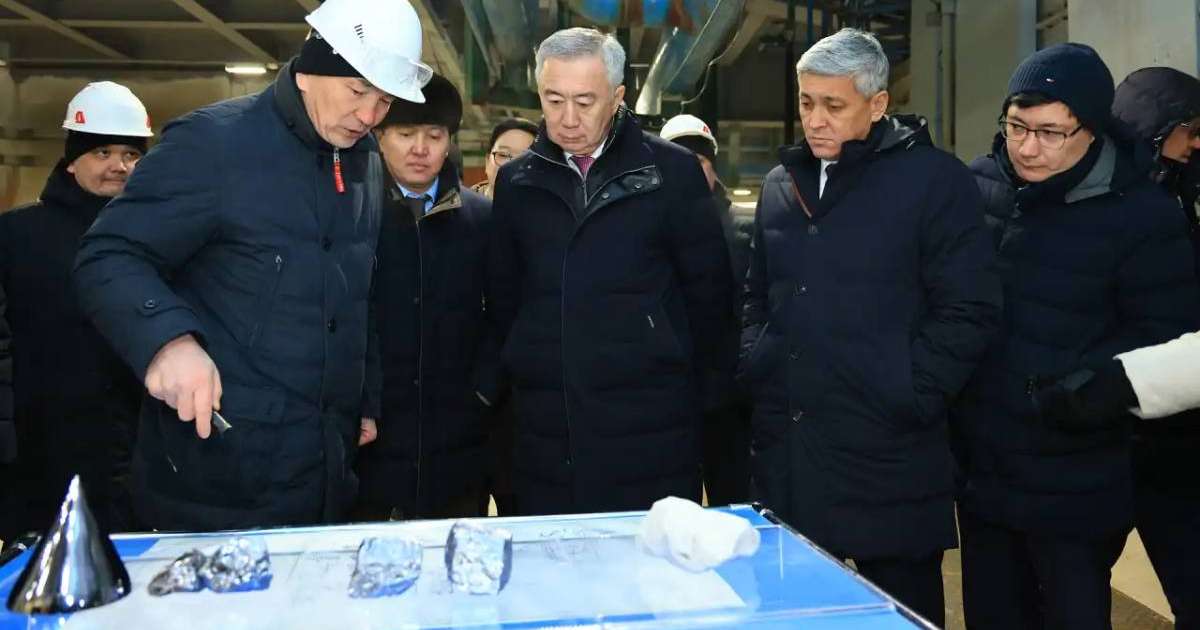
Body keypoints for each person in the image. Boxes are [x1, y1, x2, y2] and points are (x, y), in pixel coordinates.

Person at [72, 0, 431, 532]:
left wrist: (365, 398)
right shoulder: (214, 145)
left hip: (325, 469)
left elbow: (359, 294)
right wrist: (167, 342)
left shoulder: (364, 161)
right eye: (359, 92)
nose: (370, 116)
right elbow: (108, 255)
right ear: (310, 71)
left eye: (384, 100)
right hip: (219, 472)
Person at [740, 28, 1000, 626]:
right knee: (796, 614)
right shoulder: (784, 184)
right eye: (806, 102)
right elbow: (757, 293)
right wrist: (757, 360)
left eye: (834, 105)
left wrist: (912, 389)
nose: (815, 119)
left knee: (900, 614)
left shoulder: (935, 182)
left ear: (878, 104)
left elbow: (970, 309)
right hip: (794, 451)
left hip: (893, 456)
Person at [955, 44, 1200, 630]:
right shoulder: (977, 188)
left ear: (1091, 130)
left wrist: (1082, 391)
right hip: (984, 472)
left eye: (1049, 132)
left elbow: (1163, 340)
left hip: (1077, 475)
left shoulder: (1143, 215)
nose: (1027, 147)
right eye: (1017, 127)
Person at [488, 27, 734, 515]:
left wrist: (704, 414)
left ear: (618, 97)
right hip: (548, 432)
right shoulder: (518, 183)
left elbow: (710, 300)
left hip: (651, 431)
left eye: (585, 101)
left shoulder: (672, 174)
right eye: (554, 101)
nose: (568, 119)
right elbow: (504, 300)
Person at [0, 82, 151, 543]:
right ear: (71, 159)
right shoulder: (16, 237)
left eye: (130, 154)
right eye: (102, 152)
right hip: (41, 458)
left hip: (133, 459)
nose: (118, 166)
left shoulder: (158, 240)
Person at [353, 73, 498, 521]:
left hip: (458, 439)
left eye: (434, 135)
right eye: (405, 134)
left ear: (449, 141)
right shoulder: (353, 215)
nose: (421, 149)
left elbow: (504, 314)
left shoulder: (483, 221)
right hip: (372, 436)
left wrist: (483, 393)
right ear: (379, 137)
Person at [660, 113, 751, 505]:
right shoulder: (646, 228)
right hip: (667, 395)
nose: (693, 173)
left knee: (732, 505)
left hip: (728, 399)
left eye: (700, 163)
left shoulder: (743, 230)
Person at [472, 118, 538, 199]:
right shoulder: (460, 209)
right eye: (503, 155)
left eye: (525, 159)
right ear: (488, 161)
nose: (513, 167)